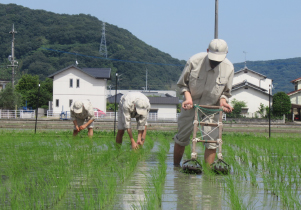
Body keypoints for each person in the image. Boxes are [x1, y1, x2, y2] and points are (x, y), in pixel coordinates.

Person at [174, 39, 234, 167]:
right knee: (182, 138)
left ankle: (207, 173)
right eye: (213, 59)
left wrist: (223, 102)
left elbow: (225, 93)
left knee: (212, 141)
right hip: (191, 104)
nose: (215, 63)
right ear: (207, 51)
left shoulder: (229, 68)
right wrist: (188, 98)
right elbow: (182, 85)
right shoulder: (194, 61)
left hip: (212, 107)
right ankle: (176, 169)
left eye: (218, 60)